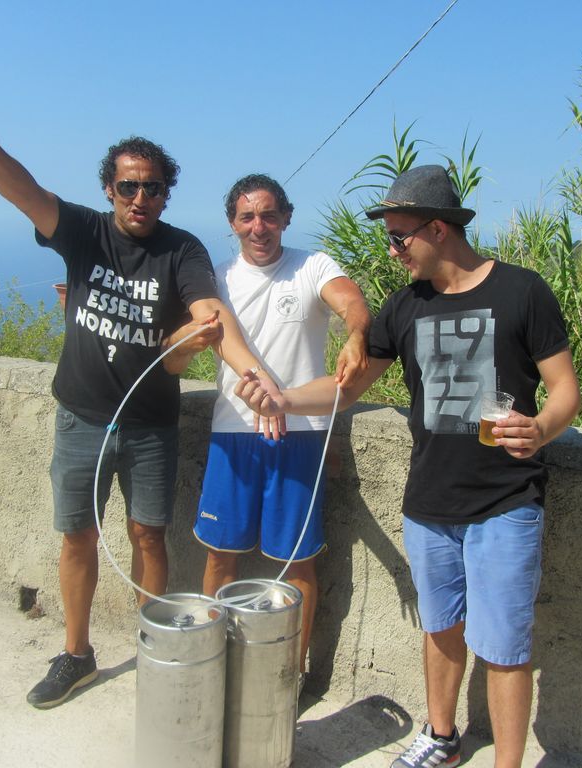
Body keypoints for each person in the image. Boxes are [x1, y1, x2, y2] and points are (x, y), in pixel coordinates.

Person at [0, 82, 281, 710]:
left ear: (166, 194)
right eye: (129, 186)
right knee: (78, 537)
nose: (141, 198)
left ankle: (155, 647)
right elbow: (25, 192)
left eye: (154, 188)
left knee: (149, 536)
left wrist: (252, 374)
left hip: (152, 425)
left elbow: (210, 316)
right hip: (81, 419)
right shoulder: (83, 232)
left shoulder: (181, 249)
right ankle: (76, 654)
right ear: (109, 189)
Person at [234, 165, 581, 768]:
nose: (392, 251)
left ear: (439, 230)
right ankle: (441, 738)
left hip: (506, 501)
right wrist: (282, 400)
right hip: (428, 504)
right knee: (440, 627)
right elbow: (348, 387)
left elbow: (565, 391)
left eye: (399, 237)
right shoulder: (404, 306)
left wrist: (541, 428)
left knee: (504, 646)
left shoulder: (523, 292)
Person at [163, 174, 371, 684]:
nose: (259, 227)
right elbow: (178, 345)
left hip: (300, 433)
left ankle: (290, 676)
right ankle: (212, 664)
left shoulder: (312, 265)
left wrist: (356, 334)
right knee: (220, 555)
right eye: (247, 217)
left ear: (286, 218)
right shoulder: (216, 280)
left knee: (297, 564)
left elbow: (350, 301)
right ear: (232, 223)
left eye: (270, 215)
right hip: (233, 432)